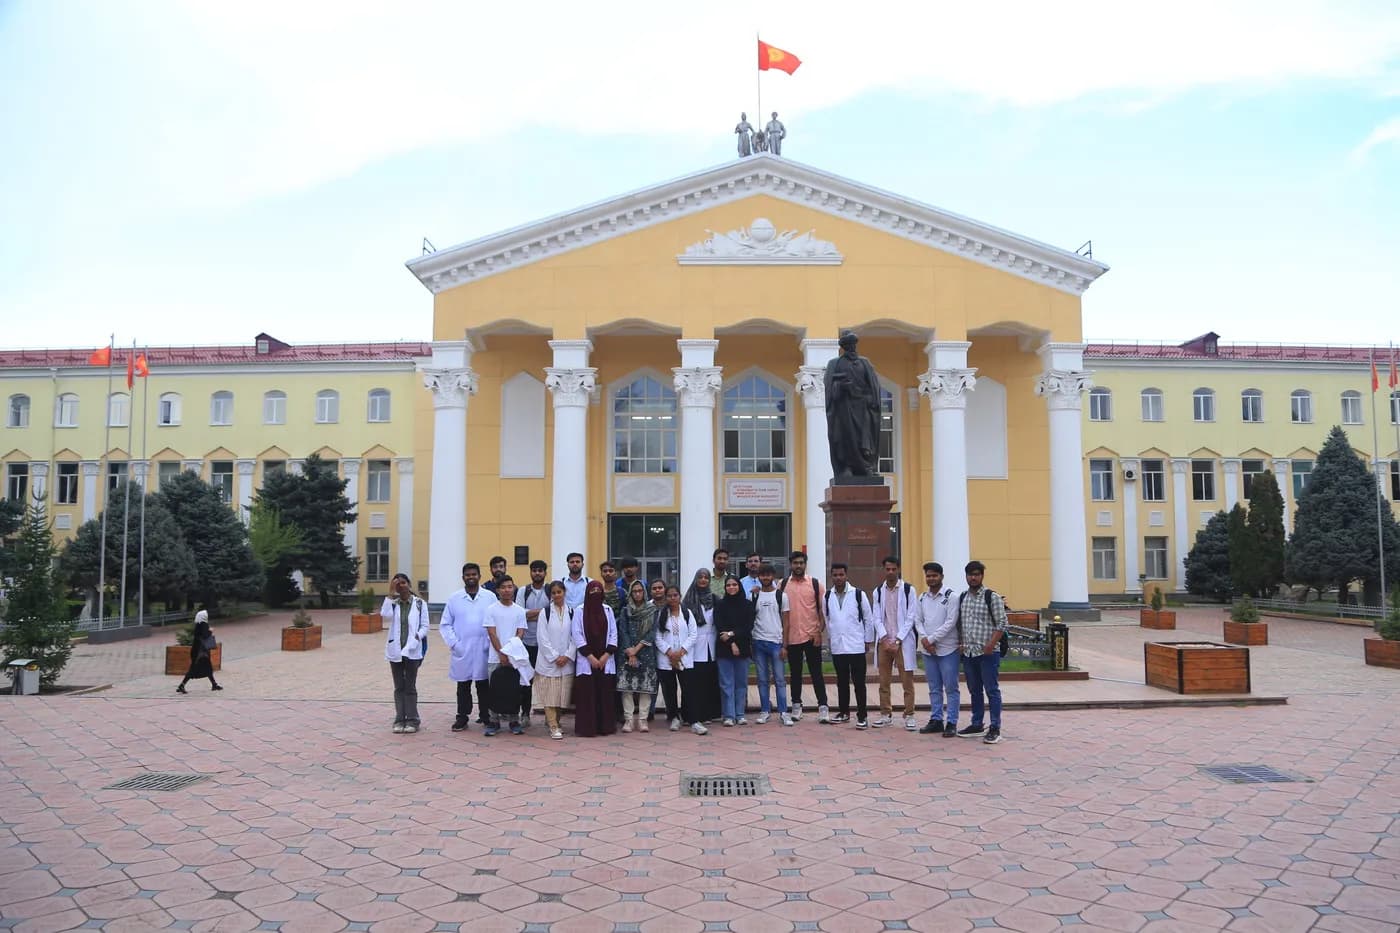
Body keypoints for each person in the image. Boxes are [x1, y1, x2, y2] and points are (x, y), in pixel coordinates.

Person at [440, 562, 498, 732]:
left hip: (484, 649)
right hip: (462, 649)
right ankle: (462, 717)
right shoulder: (454, 598)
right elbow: (445, 624)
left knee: (483, 686)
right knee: (463, 686)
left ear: (479, 576)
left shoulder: (490, 597)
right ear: (463, 577)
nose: (471, 577)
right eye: (467, 575)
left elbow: (496, 620)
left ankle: (486, 716)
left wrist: (492, 644)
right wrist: (454, 644)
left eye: (474, 574)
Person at [957, 560, 1008, 744]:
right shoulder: (963, 597)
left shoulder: (991, 597)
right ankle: (977, 723)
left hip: (987, 653)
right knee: (974, 690)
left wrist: (991, 644)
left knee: (992, 690)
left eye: (977, 574)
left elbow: (1002, 623)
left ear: (982, 576)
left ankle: (995, 727)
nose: (973, 577)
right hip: (970, 653)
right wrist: (962, 643)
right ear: (966, 576)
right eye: (970, 574)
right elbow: (961, 624)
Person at [823, 331, 883, 480]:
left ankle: (867, 467)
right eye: (848, 345)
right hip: (844, 408)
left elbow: (874, 386)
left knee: (865, 438)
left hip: (863, 408)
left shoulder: (865, 363)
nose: (851, 347)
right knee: (845, 437)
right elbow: (829, 387)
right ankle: (847, 467)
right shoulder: (834, 364)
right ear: (843, 347)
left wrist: (870, 399)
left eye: (853, 344)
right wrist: (841, 387)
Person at [870, 556, 919, 730]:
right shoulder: (877, 591)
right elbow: (876, 617)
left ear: (898, 569)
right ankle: (885, 714)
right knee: (884, 681)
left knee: (907, 681)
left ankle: (909, 714)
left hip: (902, 642)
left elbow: (911, 617)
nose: (890, 572)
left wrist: (898, 639)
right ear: (883, 570)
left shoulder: (908, 590)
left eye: (893, 569)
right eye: (887, 569)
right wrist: (884, 638)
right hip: (884, 642)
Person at [823, 563, 875, 728]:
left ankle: (862, 715)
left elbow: (868, 618)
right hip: (838, 646)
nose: (838, 578)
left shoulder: (858, 594)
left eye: (841, 575)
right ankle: (844, 712)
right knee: (842, 682)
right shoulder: (827, 596)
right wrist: (831, 639)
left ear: (846, 575)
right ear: (831, 576)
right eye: (835, 575)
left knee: (859, 683)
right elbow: (827, 619)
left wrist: (868, 640)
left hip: (856, 645)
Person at [913, 562, 960, 737]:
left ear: (941, 576)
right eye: (928, 576)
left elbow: (950, 622)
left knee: (951, 687)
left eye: (934, 575)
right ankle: (936, 719)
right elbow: (918, 620)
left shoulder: (951, 596)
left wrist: (930, 639)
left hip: (947, 649)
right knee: (934, 688)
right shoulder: (922, 597)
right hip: (928, 651)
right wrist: (925, 640)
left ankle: (952, 722)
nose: (931, 579)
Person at [781, 551, 829, 723]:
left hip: (811, 636)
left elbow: (824, 611)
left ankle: (823, 707)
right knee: (795, 674)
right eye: (795, 563)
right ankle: (796, 706)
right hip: (792, 636)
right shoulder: (783, 584)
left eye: (801, 563)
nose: (798, 566)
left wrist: (819, 632)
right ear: (790, 564)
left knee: (817, 673)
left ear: (805, 564)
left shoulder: (816, 585)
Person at [655, 584, 707, 734]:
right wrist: (670, 652)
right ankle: (674, 717)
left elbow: (693, 634)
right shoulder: (661, 614)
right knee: (669, 690)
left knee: (689, 689)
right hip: (667, 659)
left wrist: (681, 651)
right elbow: (657, 637)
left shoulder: (687, 613)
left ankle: (693, 720)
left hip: (685, 658)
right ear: (666, 597)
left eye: (675, 595)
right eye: (669, 596)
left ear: (680, 596)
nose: (672, 598)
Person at [381, 573, 429, 733]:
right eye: (397, 584)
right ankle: (399, 719)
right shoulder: (393, 604)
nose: (401, 586)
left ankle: (413, 720)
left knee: (410, 686)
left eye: (403, 583)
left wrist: (418, 636)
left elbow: (425, 626)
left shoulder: (420, 604)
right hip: (396, 650)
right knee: (398, 687)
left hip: (412, 650)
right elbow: (384, 615)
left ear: (409, 584)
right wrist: (389, 592)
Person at [571, 580, 618, 737]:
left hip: (605, 660)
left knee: (605, 695)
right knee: (587, 695)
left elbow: (613, 633)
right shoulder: (579, 611)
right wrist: (590, 657)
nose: (595, 595)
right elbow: (577, 634)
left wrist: (606, 656)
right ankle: (587, 728)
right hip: (587, 660)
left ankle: (605, 727)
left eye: (599, 592)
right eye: (592, 592)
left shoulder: (608, 610)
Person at [750, 563, 793, 726]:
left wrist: (785, 646)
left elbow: (787, 622)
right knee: (762, 679)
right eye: (762, 575)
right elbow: (750, 619)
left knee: (780, 679)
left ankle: (783, 712)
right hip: (758, 642)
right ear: (758, 577)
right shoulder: (754, 596)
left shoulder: (781, 596)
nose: (765, 577)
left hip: (776, 643)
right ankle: (765, 711)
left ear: (773, 576)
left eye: (768, 575)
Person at [484, 576, 527, 736]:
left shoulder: (519, 610)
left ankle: (514, 720)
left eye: (510, 586)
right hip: (495, 657)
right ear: (497, 590)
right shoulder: (491, 609)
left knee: (514, 690)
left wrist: (510, 653)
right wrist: (501, 653)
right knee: (494, 690)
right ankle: (493, 721)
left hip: (513, 657)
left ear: (514, 588)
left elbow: (520, 632)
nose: (507, 590)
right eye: (503, 587)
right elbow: (491, 632)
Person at [533, 581, 576, 740]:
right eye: (554, 593)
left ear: (564, 592)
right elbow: (542, 638)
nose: (557, 595)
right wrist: (554, 656)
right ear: (550, 595)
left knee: (561, 697)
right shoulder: (545, 612)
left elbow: (575, 636)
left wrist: (567, 655)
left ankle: (556, 722)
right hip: (548, 662)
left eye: (559, 592)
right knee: (550, 695)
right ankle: (553, 726)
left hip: (566, 662)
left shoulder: (572, 612)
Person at [617, 579, 659, 733]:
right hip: (627, 652)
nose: (637, 594)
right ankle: (628, 720)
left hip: (646, 652)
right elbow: (623, 631)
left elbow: (652, 632)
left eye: (640, 591)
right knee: (626, 687)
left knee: (645, 688)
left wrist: (637, 649)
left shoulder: (652, 610)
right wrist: (630, 651)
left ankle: (642, 720)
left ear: (645, 592)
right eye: (634, 591)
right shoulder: (625, 610)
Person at [683, 569, 722, 724]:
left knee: (709, 681)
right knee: (693, 682)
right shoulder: (688, 600)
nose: (704, 580)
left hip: (711, 644)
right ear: (696, 579)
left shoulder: (715, 599)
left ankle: (708, 714)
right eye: (700, 577)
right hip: (693, 644)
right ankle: (690, 714)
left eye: (706, 577)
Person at [713, 575, 753, 727]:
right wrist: (731, 643)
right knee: (726, 683)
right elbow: (720, 627)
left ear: (739, 586)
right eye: (728, 585)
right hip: (724, 649)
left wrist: (731, 634)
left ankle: (740, 714)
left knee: (741, 683)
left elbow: (748, 627)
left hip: (743, 648)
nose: (731, 587)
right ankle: (729, 715)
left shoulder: (747, 605)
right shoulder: (721, 605)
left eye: (734, 585)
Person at [517, 560, 551, 727]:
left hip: (546, 644)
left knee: (546, 680)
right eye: (534, 570)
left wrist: (531, 614)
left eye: (540, 570)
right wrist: (543, 613)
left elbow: (552, 614)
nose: (537, 573)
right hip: (526, 642)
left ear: (545, 573)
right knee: (526, 680)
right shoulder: (523, 591)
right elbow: (519, 614)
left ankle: (549, 715)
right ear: (530, 572)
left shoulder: (551, 590)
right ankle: (525, 713)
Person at [176, 610, 222, 694]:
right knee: (195, 668)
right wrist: (210, 630)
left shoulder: (198, 624)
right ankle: (181, 685)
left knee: (207, 667)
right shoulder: (203, 624)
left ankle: (214, 684)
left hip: (197, 650)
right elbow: (205, 635)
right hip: (200, 652)